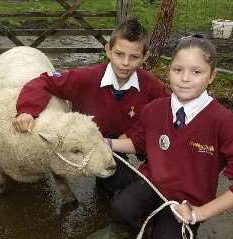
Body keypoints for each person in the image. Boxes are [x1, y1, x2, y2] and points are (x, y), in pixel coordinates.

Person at [81, 36, 233, 239]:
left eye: (197, 72)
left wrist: (199, 213)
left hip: (187, 204)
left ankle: (168, 234)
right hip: (154, 183)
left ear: (212, 76)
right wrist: (105, 142)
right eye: (178, 69)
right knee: (121, 206)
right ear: (169, 71)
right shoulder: (154, 109)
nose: (185, 79)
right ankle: (122, 230)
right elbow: (139, 142)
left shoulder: (223, 122)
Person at [12, 18, 169, 197]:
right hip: (89, 141)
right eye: (119, 54)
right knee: (116, 181)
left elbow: (167, 112)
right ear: (108, 51)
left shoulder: (151, 86)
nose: (125, 63)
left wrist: (134, 133)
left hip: (121, 142)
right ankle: (107, 184)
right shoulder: (85, 78)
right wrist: (26, 110)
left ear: (145, 57)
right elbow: (45, 81)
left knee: (128, 183)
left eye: (134, 57)